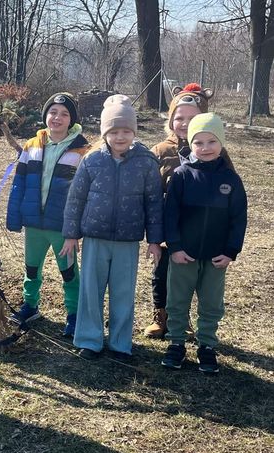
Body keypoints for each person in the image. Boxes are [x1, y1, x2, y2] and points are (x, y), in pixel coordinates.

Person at [62, 94, 163, 361]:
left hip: (128, 241)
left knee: (123, 293)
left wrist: (155, 240)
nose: (120, 137)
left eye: (126, 131)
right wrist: (71, 234)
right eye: (114, 131)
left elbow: (154, 203)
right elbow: (76, 199)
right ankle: (89, 339)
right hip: (95, 238)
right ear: (105, 133)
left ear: (134, 132)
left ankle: (120, 343)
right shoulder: (92, 160)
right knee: (91, 290)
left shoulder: (146, 162)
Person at [162, 114, 247, 375]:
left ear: (221, 143)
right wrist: (175, 247)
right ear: (191, 144)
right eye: (198, 142)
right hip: (183, 255)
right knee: (177, 300)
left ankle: (207, 345)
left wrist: (230, 251)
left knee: (211, 303)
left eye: (212, 141)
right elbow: (170, 214)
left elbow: (239, 219)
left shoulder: (231, 179)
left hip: (216, 257)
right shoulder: (181, 176)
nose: (205, 147)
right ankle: (176, 342)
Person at [5, 92, 89, 337]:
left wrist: (77, 227)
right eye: (53, 112)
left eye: (64, 114)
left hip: (62, 226)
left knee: (69, 272)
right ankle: (30, 305)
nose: (57, 118)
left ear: (72, 119)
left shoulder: (82, 150)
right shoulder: (31, 146)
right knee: (31, 268)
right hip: (34, 223)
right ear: (45, 116)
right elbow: (19, 182)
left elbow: (84, 193)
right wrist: (15, 216)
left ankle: (74, 314)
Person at [144, 83, 213, 338]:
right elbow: (149, 192)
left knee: (187, 277)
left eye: (192, 118)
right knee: (162, 273)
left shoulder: (211, 150)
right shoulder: (161, 151)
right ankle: (160, 315)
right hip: (166, 228)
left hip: (196, 229)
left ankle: (181, 318)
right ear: (171, 119)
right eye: (179, 118)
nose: (184, 124)